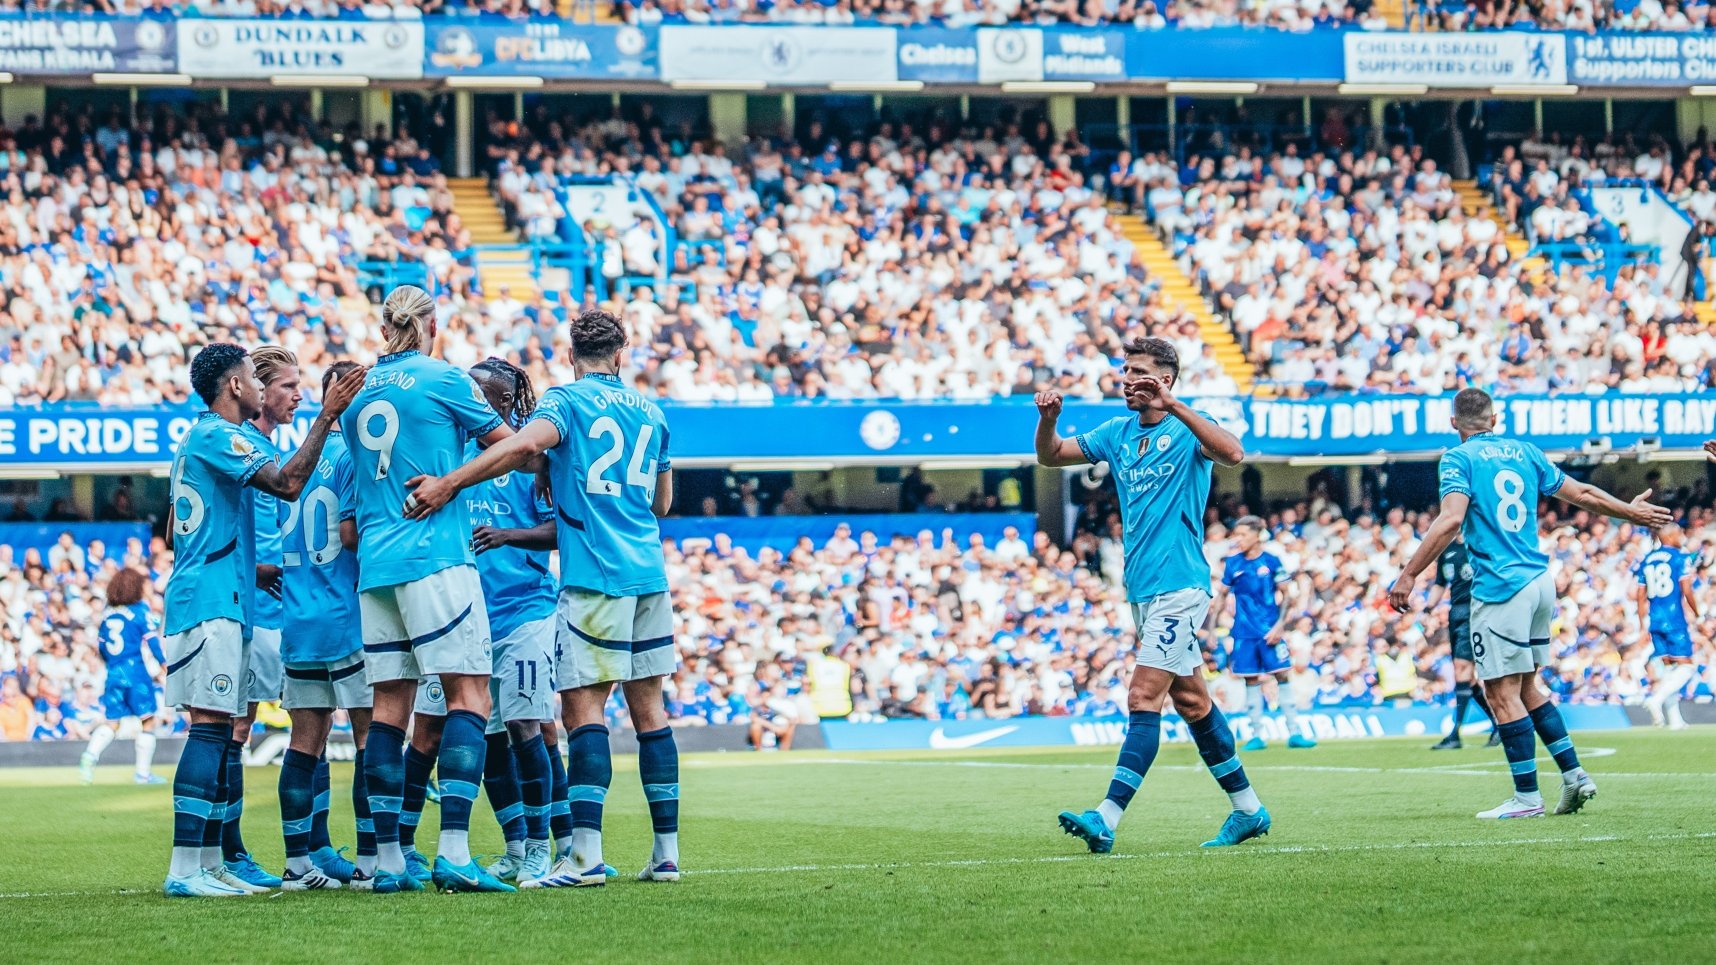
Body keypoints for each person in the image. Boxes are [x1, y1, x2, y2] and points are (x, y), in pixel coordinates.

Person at [405, 309, 682, 887]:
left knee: (584, 714)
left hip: (596, 577)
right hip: (649, 575)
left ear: (571, 354)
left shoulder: (566, 402)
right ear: (622, 355)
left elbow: (524, 444)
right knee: (651, 713)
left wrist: (453, 481)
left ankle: (583, 856)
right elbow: (661, 504)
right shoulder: (653, 414)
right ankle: (665, 854)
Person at [1035, 336, 1272, 852]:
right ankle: (1249, 810)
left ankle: (1106, 817)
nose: (1126, 380)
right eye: (1124, 371)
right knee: (1192, 702)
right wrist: (1049, 417)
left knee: (1143, 696)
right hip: (1142, 589)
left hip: (1181, 585)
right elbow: (1051, 457)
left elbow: (1234, 452)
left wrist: (1175, 406)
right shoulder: (1116, 433)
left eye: (1138, 371)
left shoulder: (1187, 429)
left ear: (1164, 379)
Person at [1389, 387, 1669, 819]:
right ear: (1495, 419)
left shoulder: (1458, 459)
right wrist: (1631, 514)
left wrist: (1409, 574)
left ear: (1453, 424)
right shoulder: (1525, 451)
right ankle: (1574, 776)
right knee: (1526, 687)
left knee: (1500, 693)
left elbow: (1450, 519)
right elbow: (1585, 495)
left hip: (1501, 587)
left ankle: (1526, 798)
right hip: (1539, 582)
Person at [161, 342, 365, 897]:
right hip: (208, 604)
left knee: (223, 730)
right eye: (254, 377)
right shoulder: (216, 435)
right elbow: (288, 484)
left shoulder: (224, 439)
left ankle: (211, 861)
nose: (257, 386)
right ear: (235, 386)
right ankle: (186, 869)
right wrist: (327, 415)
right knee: (209, 729)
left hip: (227, 597)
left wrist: (254, 565)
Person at [341, 285, 517, 894]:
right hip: (437, 558)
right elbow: (512, 449)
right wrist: (450, 481)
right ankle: (454, 853)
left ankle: (389, 861)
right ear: (431, 323)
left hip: (376, 568)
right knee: (470, 698)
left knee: (389, 711)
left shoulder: (357, 391)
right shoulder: (445, 378)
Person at [277, 360, 372, 891]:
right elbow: (352, 535)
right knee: (368, 739)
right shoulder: (352, 458)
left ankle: (297, 866)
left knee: (304, 743)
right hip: (347, 616)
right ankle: (367, 861)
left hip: (298, 617)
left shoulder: (296, 460)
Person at [464, 356, 559, 886]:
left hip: (525, 610)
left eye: (482, 394)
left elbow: (562, 531)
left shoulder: (530, 461)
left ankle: (544, 847)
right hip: (471, 618)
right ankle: (515, 845)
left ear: (504, 403)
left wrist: (507, 536)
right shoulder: (452, 455)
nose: (472, 401)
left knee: (527, 725)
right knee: (489, 736)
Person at [216, 344, 300, 892]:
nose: (298, 396)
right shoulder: (243, 448)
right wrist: (258, 566)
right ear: (258, 389)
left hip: (280, 609)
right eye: (288, 386)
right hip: (253, 609)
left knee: (285, 724)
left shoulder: (265, 446)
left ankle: (298, 850)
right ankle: (227, 849)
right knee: (234, 728)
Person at [1212, 516, 1315, 751]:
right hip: (1244, 633)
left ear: (1257, 535)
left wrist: (1280, 625)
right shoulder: (1233, 563)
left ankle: (1294, 732)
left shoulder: (1271, 560)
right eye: (1235, 535)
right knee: (1250, 679)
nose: (1238, 539)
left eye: (1242, 535)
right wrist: (1211, 629)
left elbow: (1288, 594)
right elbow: (1221, 597)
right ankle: (1256, 734)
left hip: (1270, 629)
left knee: (1281, 675)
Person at [78, 567, 167, 785]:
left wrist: (113, 664)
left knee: (112, 722)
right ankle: (143, 774)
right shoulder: (139, 611)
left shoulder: (108, 614)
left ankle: (90, 755)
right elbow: (152, 641)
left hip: (114, 673)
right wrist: (164, 664)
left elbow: (102, 647)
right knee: (148, 720)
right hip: (135, 672)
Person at [1429, 535, 1499, 750]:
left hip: (1475, 612)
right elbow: (1441, 583)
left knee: (1462, 670)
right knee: (1466, 679)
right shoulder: (1447, 550)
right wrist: (1427, 608)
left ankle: (1455, 733)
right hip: (1455, 614)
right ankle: (1499, 725)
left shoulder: (1479, 545)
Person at [1634, 523, 1698, 730]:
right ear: (1670, 536)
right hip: (1674, 619)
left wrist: (1643, 623)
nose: (1682, 538)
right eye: (1679, 534)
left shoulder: (1647, 559)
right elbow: (1687, 590)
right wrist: (1698, 613)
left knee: (1671, 670)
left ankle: (1675, 720)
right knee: (1687, 667)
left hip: (1655, 619)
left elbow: (1640, 594)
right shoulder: (1679, 558)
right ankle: (1656, 699)